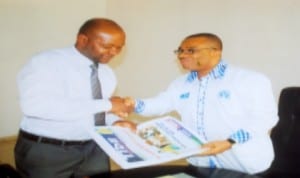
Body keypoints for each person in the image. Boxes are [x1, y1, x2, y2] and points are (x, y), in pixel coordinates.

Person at [127, 33, 278, 174]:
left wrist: (229, 142)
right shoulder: (180, 84)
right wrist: (131, 104)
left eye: (191, 51)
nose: (182, 55)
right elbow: (160, 104)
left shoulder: (249, 80)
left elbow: (264, 119)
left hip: (244, 165)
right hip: (200, 163)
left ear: (215, 52)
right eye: (180, 51)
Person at [14, 18, 133, 178]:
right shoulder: (46, 62)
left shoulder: (107, 73)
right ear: (82, 39)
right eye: (107, 46)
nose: (113, 53)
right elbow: (35, 106)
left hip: (94, 149)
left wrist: (115, 121)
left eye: (119, 48)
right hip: (49, 150)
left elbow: (96, 111)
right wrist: (107, 105)